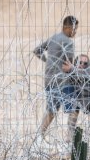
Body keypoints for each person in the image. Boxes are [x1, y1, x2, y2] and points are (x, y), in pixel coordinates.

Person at [33, 15, 79, 149]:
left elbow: (37, 51)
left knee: (51, 110)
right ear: (68, 27)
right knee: (74, 109)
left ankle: (39, 137)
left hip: (49, 80)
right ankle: (69, 141)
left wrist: (48, 61)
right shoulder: (69, 42)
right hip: (63, 81)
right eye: (74, 29)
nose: (75, 32)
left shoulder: (53, 37)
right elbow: (69, 63)